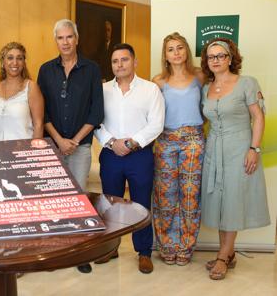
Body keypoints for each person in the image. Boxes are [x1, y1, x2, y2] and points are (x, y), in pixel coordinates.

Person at [199, 38, 270, 280]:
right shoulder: (205, 87)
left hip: (239, 148)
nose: (216, 60)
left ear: (230, 58)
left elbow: (258, 117)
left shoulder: (246, 83)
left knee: (233, 200)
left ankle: (222, 257)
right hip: (213, 149)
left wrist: (254, 148)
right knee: (219, 201)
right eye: (211, 57)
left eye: (221, 56)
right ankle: (227, 253)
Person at [37, 19, 104, 274]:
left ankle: (79, 252)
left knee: (78, 200)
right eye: (60, 38)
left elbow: (96, 110)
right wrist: (58, 140)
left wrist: (74, 141)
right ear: (56, 41)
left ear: (77, 39)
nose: (65, 42)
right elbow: (41, 112)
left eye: (69, 37)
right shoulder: (45, 70)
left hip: (81, 146)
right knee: (54, 199)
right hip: (53, 145)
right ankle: (56, 250)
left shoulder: (92, 69)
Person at [94, 43, 164, 274]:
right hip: (111, 154)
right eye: (115, 61)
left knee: (141, 203)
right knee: (111, 204)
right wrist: (113, 143)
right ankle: (111, 247)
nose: (120, 64)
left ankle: (143, 252)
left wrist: (131, 143)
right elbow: (96, 122)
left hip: (139, 154)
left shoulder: (150, 89)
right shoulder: (102, 90)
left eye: (124, 60)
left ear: (135, 62)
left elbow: (156, 124)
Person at [151, 32, 205, 266]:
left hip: (193, 141)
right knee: (166, 196)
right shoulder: (158, 82)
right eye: (171, 49)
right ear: (165, 55)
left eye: (180, 48)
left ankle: (185, 246)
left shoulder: (200, 78)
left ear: (187, 51)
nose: (176, 53)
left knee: (190, 196)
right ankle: (167, 244)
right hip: (166, 141)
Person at [0, 41, 44, 142]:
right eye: (10, 58)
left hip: (23, 154)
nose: (15, 63)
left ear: (24, 63)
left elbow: (38, 124)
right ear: (3, 62)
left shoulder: (31, 87)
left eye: (19, 58)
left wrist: (34, 154)